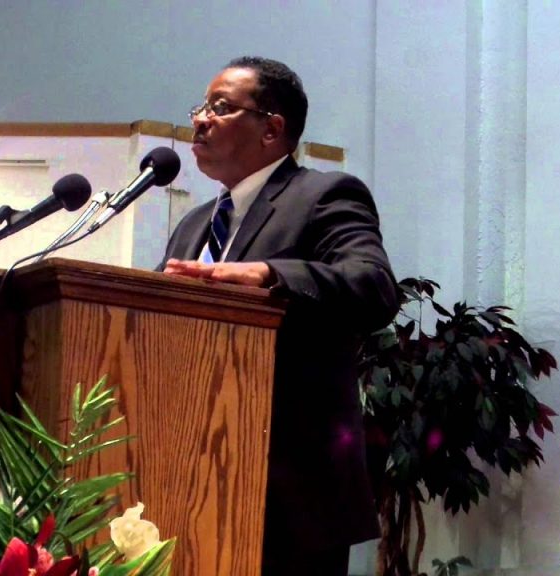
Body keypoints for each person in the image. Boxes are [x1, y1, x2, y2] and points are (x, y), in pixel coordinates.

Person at [160, 56, 399, 575]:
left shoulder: (323, 195)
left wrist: (270, 274)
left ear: (272, 128)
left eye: (221, 108)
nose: (200, 120)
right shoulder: (194, 226)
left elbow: (373, 286)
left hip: (291, 489)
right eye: (201, 107)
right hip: (188, 477)